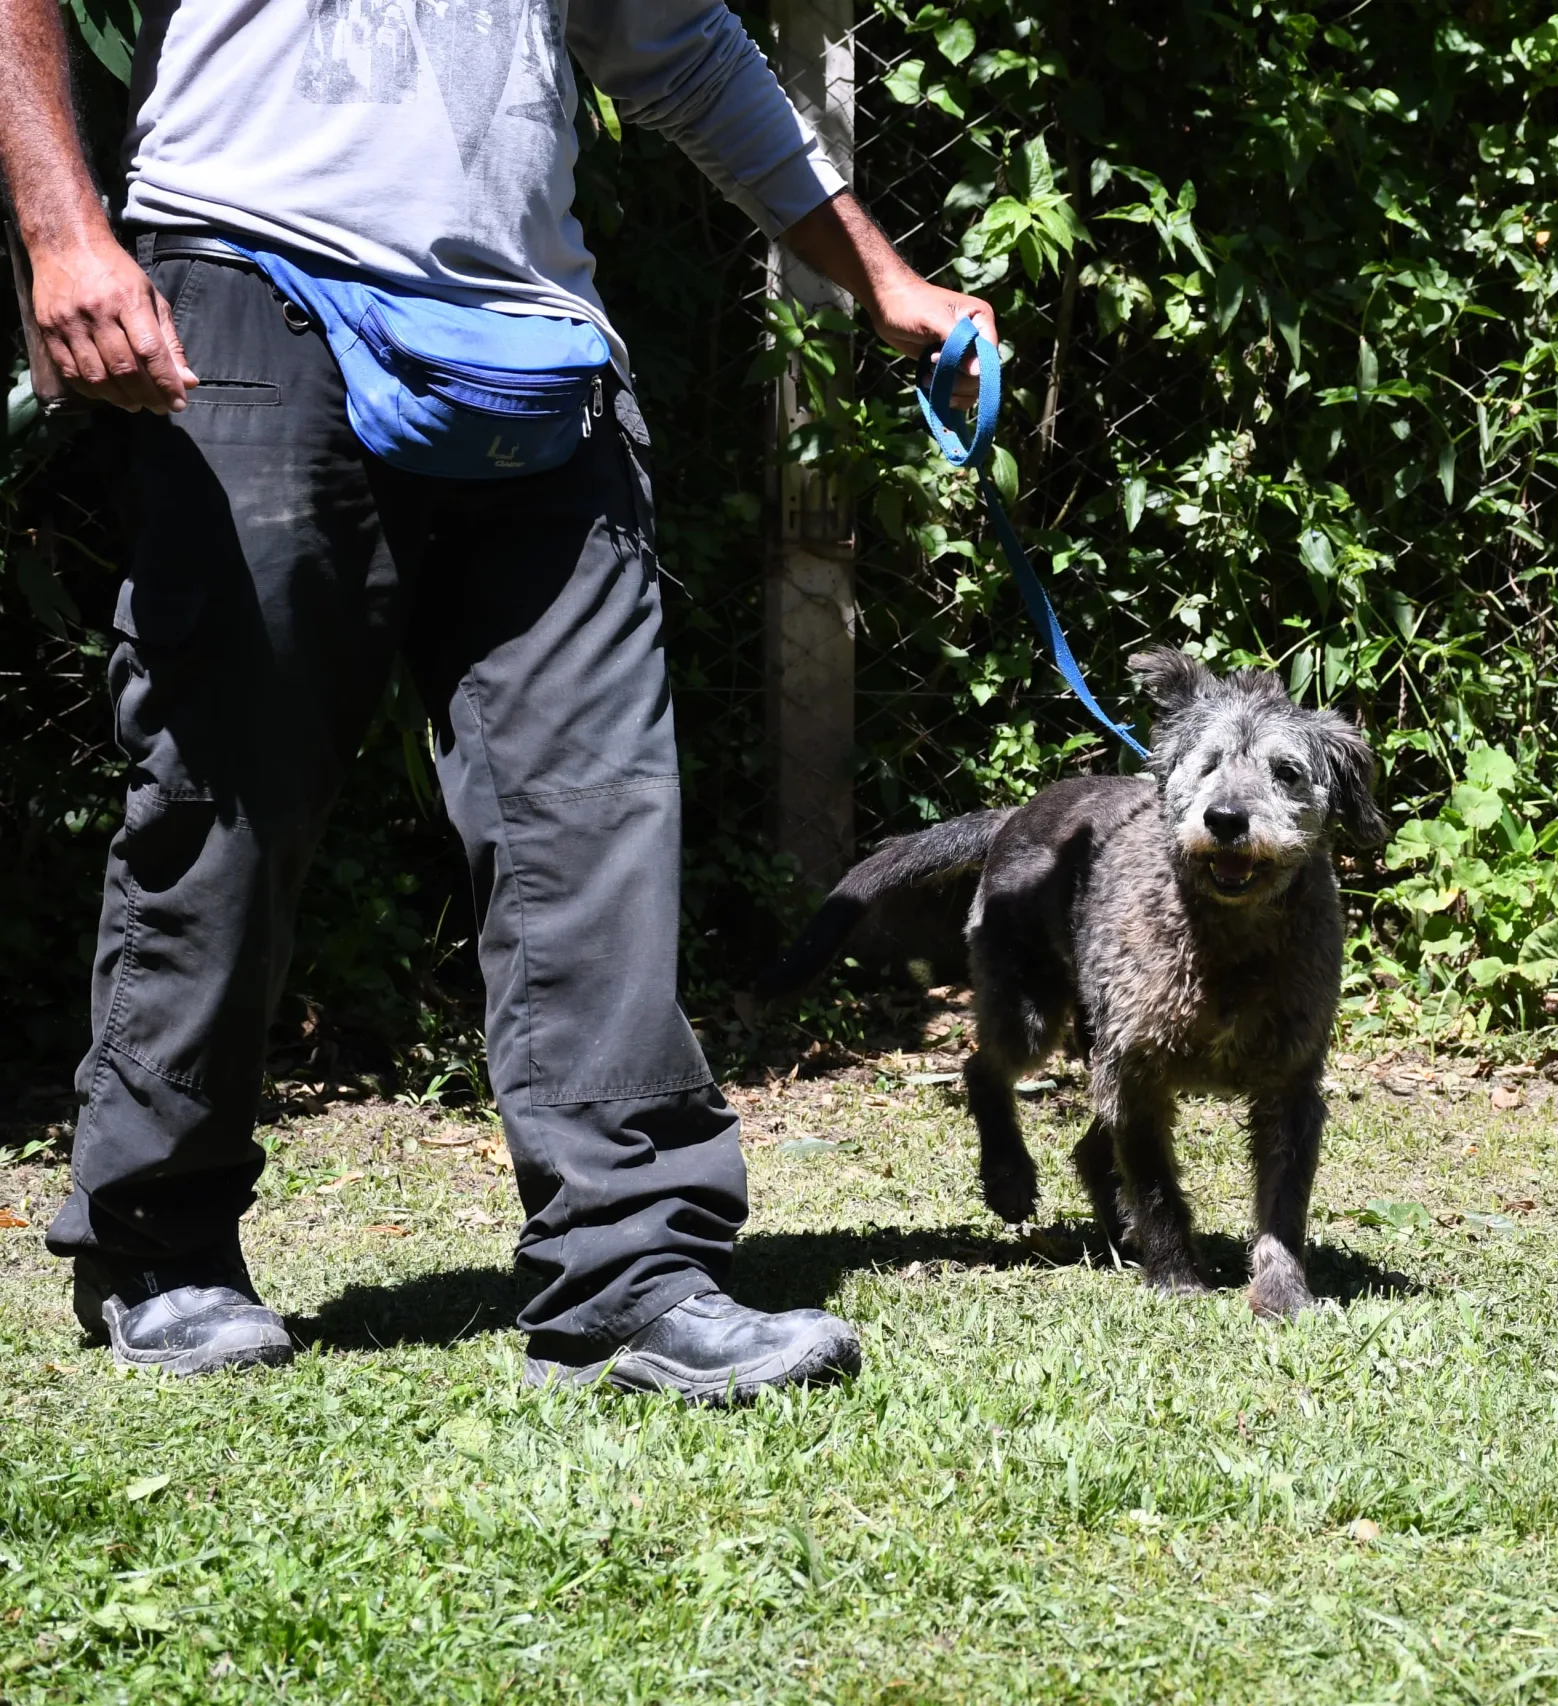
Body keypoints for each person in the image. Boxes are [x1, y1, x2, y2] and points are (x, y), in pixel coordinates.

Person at [0, 0, 992, 1399]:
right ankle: (157, 1240)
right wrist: (62, 232)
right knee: (231, 791)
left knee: (595, 805)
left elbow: (683, 45)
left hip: (528, 342)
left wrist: (880, 279)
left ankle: (629, 1271)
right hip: (242, 282)